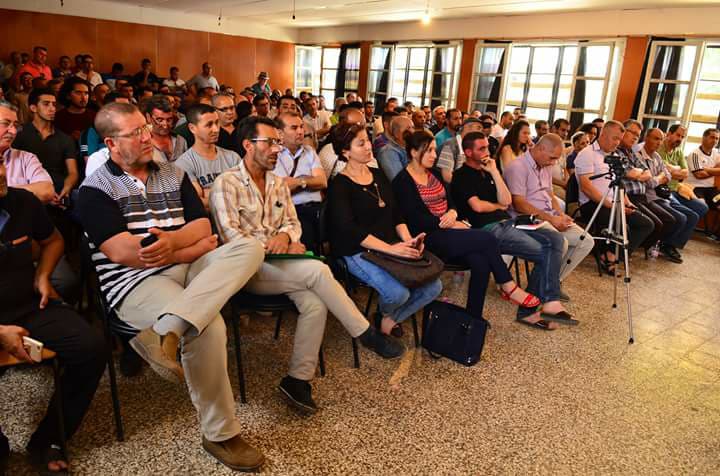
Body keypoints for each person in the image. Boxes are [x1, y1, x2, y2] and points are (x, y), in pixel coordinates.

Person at [78, 102, 268, 471]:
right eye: (135, 133)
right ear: (111, 143)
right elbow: (123, 252)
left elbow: (204, 229)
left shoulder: (172, 173)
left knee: (249, 246)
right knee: (209, 325)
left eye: (145, 128)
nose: (147, 137)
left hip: (190, 269)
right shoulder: (95, 189)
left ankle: (166, 329)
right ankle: (221, 434)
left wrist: (178, 245)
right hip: (134, 283)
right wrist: (187, 247)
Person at [209, 116, 405, 412]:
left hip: (285, 266)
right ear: (248, 146)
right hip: (246, 270)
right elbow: (230, 235)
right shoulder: (227, 183)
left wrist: (287, 237)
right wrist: (270, 245)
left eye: (278, 142)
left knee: (315, 303)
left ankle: (297, 380)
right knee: (318, 270)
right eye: (270, 142)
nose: (277, 149)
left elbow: (292, 222)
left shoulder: (277, 183)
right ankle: (365, 333)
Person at [0, 155, 106, 475]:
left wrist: (44, 275)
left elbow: (53, 239)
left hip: (28, 306)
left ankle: (49, 437)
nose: (0, 173)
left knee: (91, 346)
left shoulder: (21, 202)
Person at [392, 130, 544, 327]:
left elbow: (453, 203)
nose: (434, 155)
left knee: (480, 262)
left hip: (448, 230)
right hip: (428, 237)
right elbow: (412, 219)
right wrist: (444, 221)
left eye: (433, 150)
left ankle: (473, 319)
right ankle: (507, 284)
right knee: (487, 239)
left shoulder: (435, 174)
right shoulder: (402, 181)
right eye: (428, 150)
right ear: (413, 152)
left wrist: (453, 215)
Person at [327, 122, 442, 336]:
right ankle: (388, 313)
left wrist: (408, 240)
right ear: (345, 151)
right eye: (360, 143)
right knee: (398, 294)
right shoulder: (339, 185)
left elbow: (395, 213)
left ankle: (386, 317)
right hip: (357, 250)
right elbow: (350, 230)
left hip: (389, 244)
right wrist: (392, 250)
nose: (369, 146)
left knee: (434, 287)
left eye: (368, 141)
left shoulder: (377, 175)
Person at [452, 131, 573, 326]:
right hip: (488, 228)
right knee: (545, 252)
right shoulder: (461, 175)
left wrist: (493, 172)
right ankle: (537, 307)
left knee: (557, 240)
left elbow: (507, 201)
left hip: (509, 221)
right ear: (467, 152)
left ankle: (548, 302)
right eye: (481, 148)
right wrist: (498, 206)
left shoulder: (489, 170)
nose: (487, 152)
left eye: (487, 147)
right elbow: (478, 207)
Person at [574, 121, 654, 271]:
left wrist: (627, 203)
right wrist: (613, 206)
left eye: (619, 139)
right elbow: (587, 188)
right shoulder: (587, 154)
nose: (617, 143)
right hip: (592, 203)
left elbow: (619, 183)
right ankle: (609, 257)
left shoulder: (614, 155)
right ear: (603, 134)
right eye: (615, 138)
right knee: (622, 222)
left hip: (614, 201)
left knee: (646, 224)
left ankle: (614, 254)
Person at [627, 127, 692, 261]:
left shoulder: (656, 156)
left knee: (681, 217)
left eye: (661, 139)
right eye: (656, 138)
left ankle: (654, 244)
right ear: (646, 139)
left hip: (658, 195)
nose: (659, 142)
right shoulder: (637, 154)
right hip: (646, 196)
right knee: (670, 219)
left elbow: (667, 175)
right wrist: (660, 177)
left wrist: (661, 176)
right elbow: (650, 182)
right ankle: (648, 245)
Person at [12, 88, 79, 207]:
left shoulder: (65, 139)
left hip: (58, 189)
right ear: (33, 108)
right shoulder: (19, 134)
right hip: (27, 189)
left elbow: (73, 172)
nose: (52, 108)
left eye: (54, 104)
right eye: (46, 104)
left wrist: (66, 189)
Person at [273, 111, 327, 251]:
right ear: (280, 133)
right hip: (291, 211)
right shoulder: (274, 154)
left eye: (301, 127)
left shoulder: (309, 151)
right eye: (294, 128)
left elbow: (322, 182)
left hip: (318, 209)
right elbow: (283, 187)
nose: (300, 131)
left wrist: (299, 182)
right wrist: (308, 181)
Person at [175, 104, 240, 210]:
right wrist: (230, 191)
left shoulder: (233, 157)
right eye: (209, 125)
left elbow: (245, 193)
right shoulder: (183, 164)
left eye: (217, 123)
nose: (216, 129)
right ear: (192, 128)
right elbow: (197, 202)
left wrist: (207, 192)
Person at [658, 124, 711, 231]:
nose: (680, 139)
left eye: (683, 137)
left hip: (677, 188)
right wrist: (677, 170)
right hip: (664, 190)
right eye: (678, 135)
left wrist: (673, 170)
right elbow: (664, 169)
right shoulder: (659, 148)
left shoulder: (679, 151)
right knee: (689, 215)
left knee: (703, 208)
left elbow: (685, 173)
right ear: (669, 134)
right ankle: (668, 242)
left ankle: (677, 234)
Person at [0, 100, 54, 203]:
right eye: (5, 123)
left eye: (15, 125)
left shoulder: (26, 158)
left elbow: (46, 191)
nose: (13, 131)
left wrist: (4, 191)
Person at [435, 118, 484, 183]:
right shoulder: (450, 144)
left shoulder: (470, 146)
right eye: (478, 128)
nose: (481, 132)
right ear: (467, 127)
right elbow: (446, 176)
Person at [142, 94, 187, 163]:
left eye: (169, 120)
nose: (165, 125)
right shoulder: (143, 144)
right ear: (148, 117)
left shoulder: (181, 141)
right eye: (159, 120)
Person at [686, 128, 720, 214]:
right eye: (712, 137)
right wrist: (715, 171)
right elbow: (699, 175)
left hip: (711, 190)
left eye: (717, 138)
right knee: (701, 207)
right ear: (704, 138)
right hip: (695, 188)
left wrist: (706, 169)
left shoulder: (716, 153)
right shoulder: (694, 154)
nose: (715, 141)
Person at [376, 115, 413, 182]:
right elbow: (399, 181)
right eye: (408, 128)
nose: (412, 131)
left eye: (413, 127)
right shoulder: (388, 152)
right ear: (396, 133)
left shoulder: (410, 147)